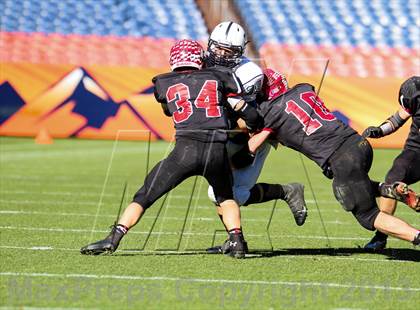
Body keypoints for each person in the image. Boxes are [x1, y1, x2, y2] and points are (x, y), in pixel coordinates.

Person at [80, 39, 261, 259]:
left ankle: (113, 238)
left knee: (145, 195)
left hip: (185, 151)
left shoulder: (163, 83)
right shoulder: (219, 76)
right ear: (200, 58)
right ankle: (237, 241)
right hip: (216, 151)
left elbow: (169, 110)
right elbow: (250, 115)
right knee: (225, 196)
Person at [247, 68, 420, 247]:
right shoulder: (304, 89)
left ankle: (414, 235)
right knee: (351, 185)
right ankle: (389, 190)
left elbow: (252, 142)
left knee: (367, 215)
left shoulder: (269, 112)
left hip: (341, 158)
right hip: (359, 144)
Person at [204, 22, 307, 254]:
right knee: (220, 191)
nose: (220, 55)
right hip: (227, 130)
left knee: (230, 193)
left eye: (227, 51)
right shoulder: (204, 62)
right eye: (217, 48)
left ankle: (286, 191)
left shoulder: (249, 74)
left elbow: (251, 120)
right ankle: (235, 239)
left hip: (254, 130)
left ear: (239, 52)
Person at [362, 76, 420, 250]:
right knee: (393, 180)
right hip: (416, 152)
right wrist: (379, 131)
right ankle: (381, 235)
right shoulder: (414, 97)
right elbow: (398, 119)